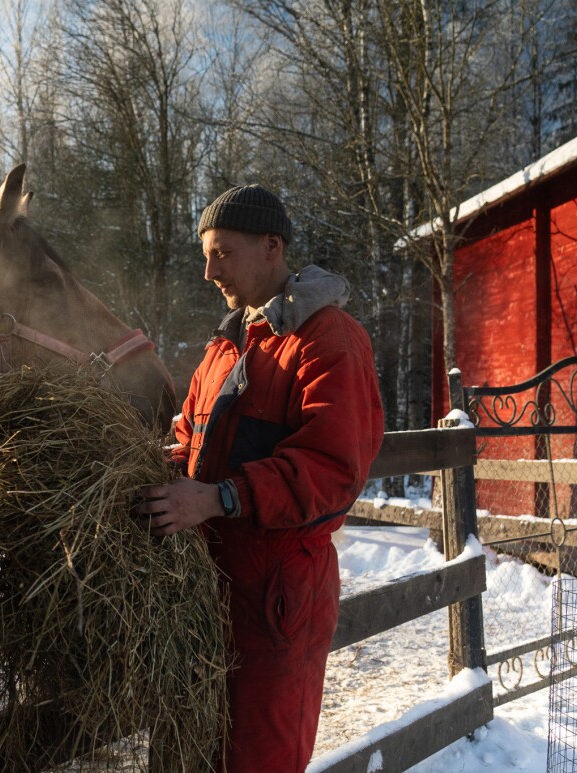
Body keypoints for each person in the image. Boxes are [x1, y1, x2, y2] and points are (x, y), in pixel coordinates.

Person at [134, 184, 384, 771]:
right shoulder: (224, 347)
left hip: (276, 597)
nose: (208, 271)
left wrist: (219, 498)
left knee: (257, 757)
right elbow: (188, 442)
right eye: (206, 255)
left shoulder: (328, 341)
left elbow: (332, 469)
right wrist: (144, 471)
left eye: (222, 253)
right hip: (204, 589)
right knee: (187, 752)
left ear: (272, 246)